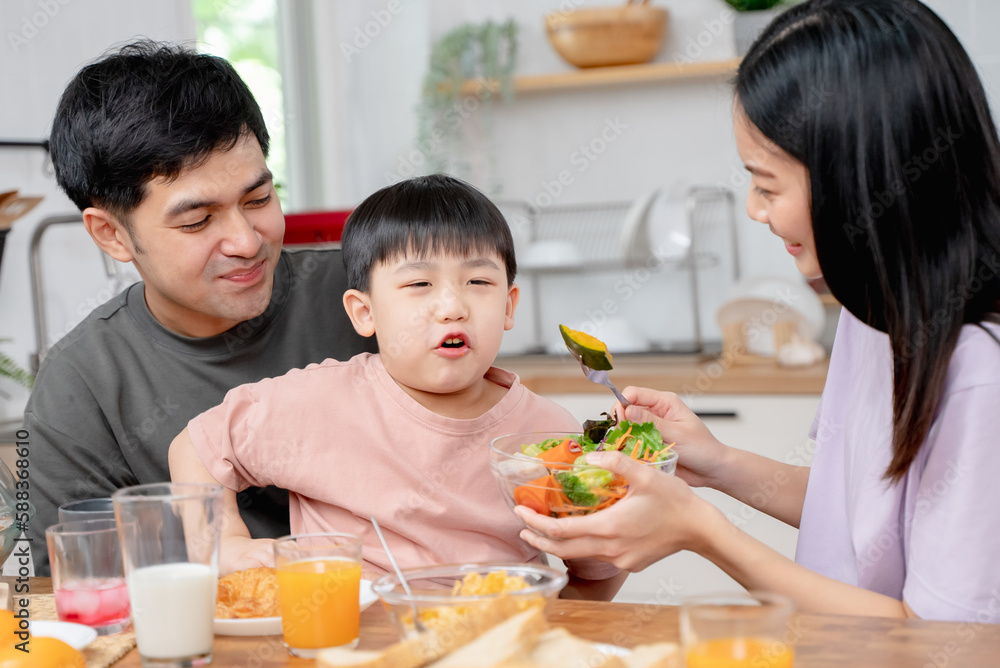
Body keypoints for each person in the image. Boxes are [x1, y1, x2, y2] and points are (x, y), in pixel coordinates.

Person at [517, 0, 1000, 622]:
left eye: (768, 184)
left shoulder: (979, 374)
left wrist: (704, 532)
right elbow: (856, 514)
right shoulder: (871, 316)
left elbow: (946, 644)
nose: (754, 208)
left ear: (859, 181)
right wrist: (717, 464)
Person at [169, 174, 626, 600]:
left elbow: (594, 579)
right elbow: (196, 448)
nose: (452, 306)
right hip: (345, 637)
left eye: (478, 281)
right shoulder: (319, 402)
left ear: (509, 306)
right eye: (420, 283)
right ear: (364, 313)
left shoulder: (548, 434)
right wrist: (226, 547)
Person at [24, 40, 375, 575]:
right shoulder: (82, 387)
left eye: (259, 199)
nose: (246, 240)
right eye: (196, 221)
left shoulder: (370, 295)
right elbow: (74, 600)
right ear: (112, 234)